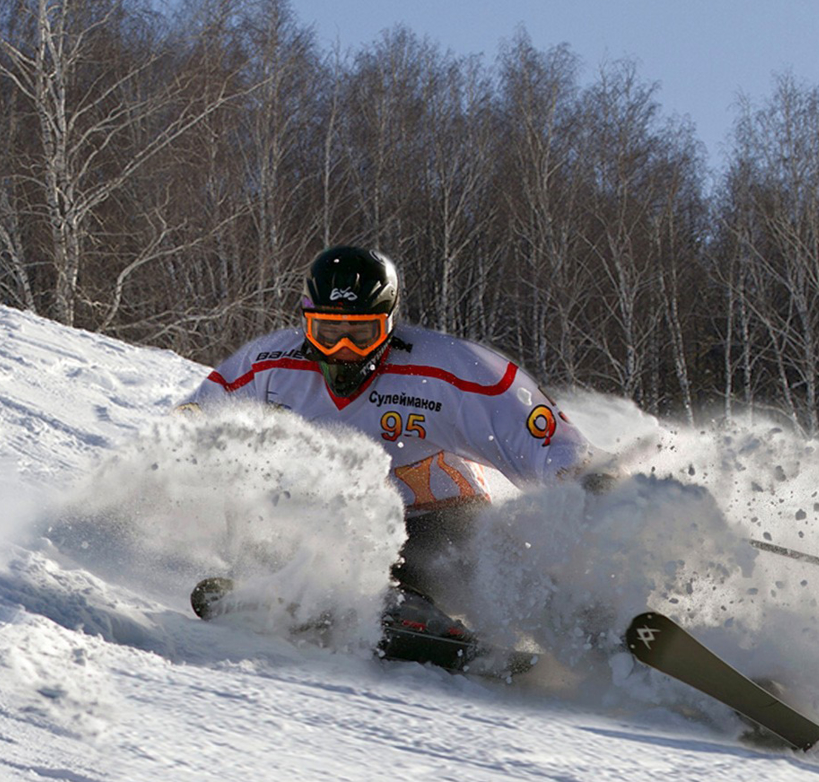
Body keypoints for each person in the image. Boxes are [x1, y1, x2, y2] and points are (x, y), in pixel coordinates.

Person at [179, 244, 603, 671]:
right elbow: (196, 424)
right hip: (322, 534)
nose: (343, 348)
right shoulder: (268, 366)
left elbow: (544, 439)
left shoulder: (450, 370)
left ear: (389, 324)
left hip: (437, 522)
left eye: (361, 334)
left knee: (498, 575)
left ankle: (594, 623)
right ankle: (331, 597)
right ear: (306, 322)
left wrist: (585, 479)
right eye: (327, 332)